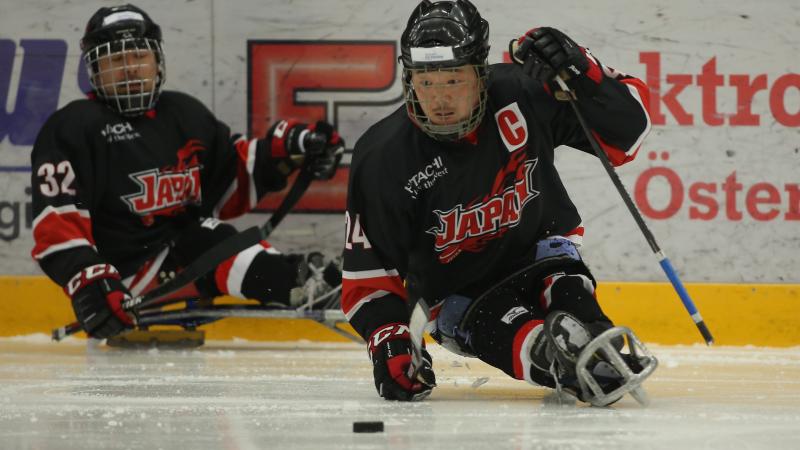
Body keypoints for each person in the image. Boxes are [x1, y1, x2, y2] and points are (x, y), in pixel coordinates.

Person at [342, 0, 657, 405]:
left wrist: (583, 71)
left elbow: (629, 134)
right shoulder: (383, 158)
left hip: (541, 251)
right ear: (408, 78)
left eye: (454, 80)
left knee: (578, 309)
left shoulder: (524, 92)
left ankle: (591, 340)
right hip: (459, 293)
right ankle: (558, 364)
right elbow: (366, 276)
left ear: (481, 73)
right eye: (426, 81)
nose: (439, 99)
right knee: (526, 341)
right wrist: (390, 339)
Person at [30, 4, 344, 340]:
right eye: (115, 61)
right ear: (94, 69)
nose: (130, 69)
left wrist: (288, 151)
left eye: (138, 57)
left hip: (181, 258)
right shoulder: (74, 127)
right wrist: (92, 284)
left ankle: (299, 278)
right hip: (122, 281)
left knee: (207, 234)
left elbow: (231, 179)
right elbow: (56, 224)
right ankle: (297, 284)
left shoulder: (183, 114)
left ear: (157, 62)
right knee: (210, 237)